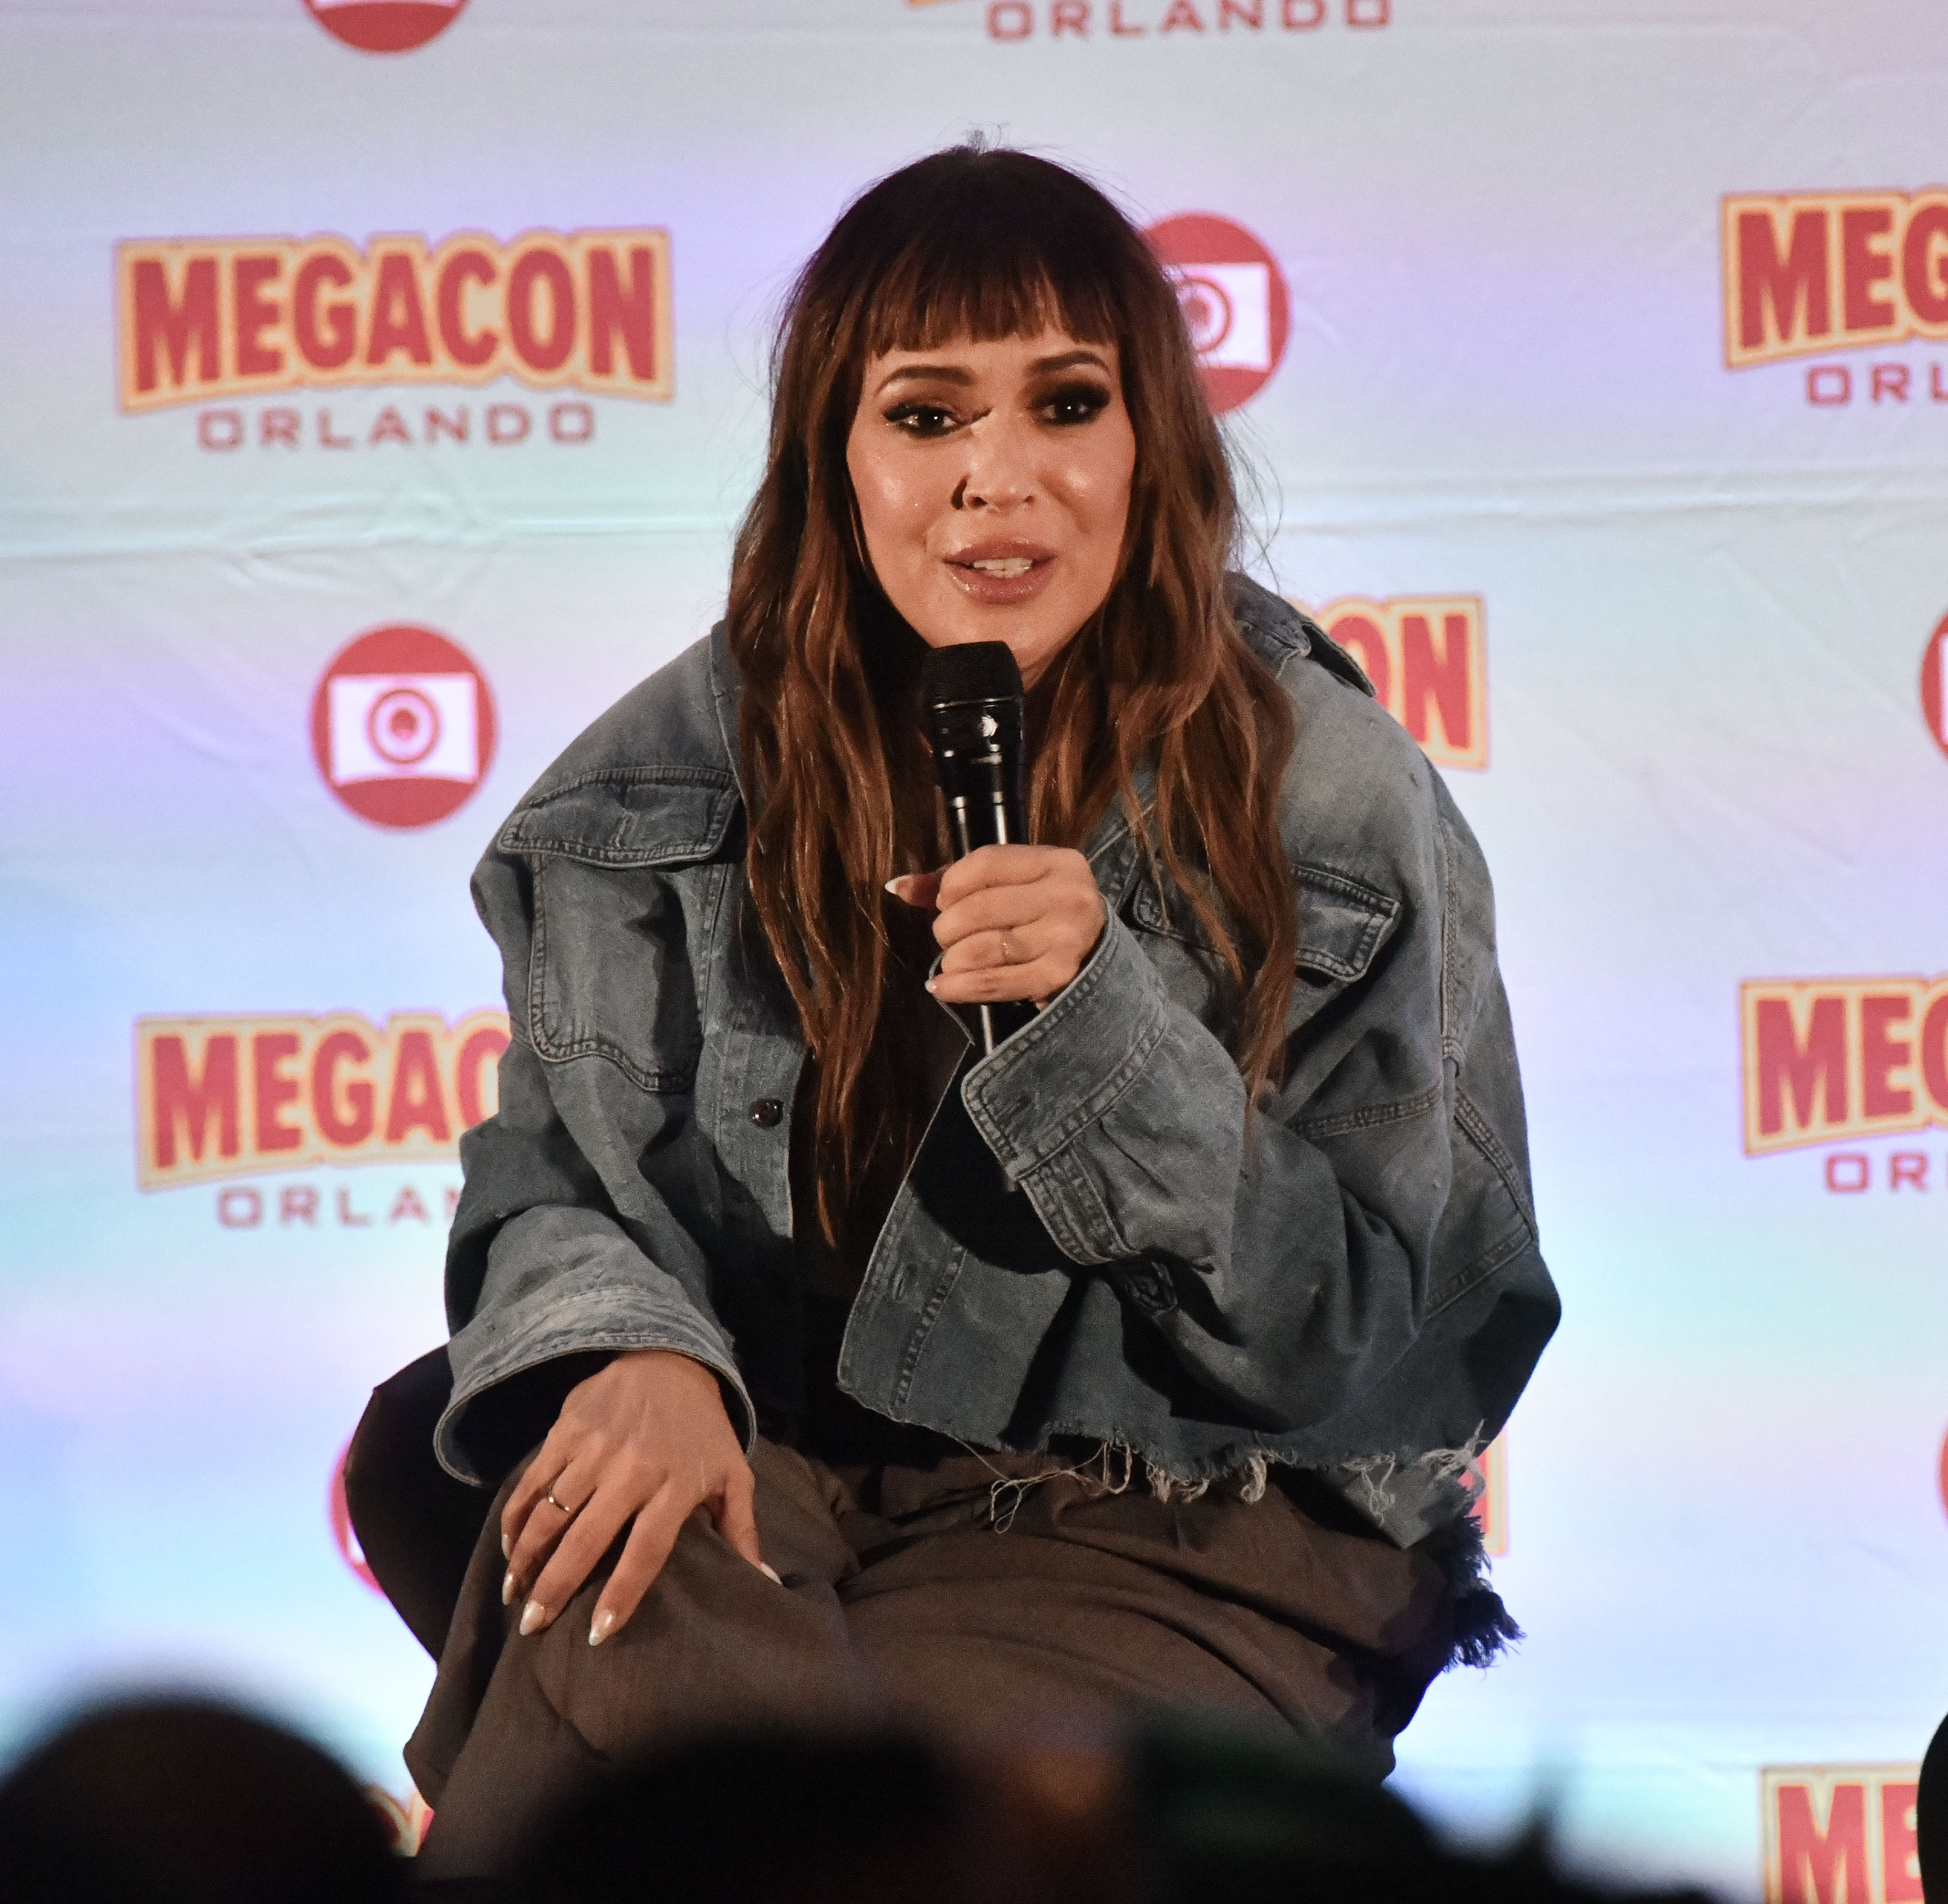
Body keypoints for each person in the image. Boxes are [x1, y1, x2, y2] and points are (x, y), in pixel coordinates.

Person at [383, 143, 1558, 1878]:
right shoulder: (662, 775)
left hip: (1170, 1513)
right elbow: (554, 1168)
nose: (994, 483)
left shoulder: (1330, 793)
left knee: (641, 1756)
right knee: (598, 1520)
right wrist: (632, 1343)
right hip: (785, 1482)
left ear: (1145, 443)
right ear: (834, 460)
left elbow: (1396, 1342)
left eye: (1062, 404)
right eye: (925, 417)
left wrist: (1106, 1030)